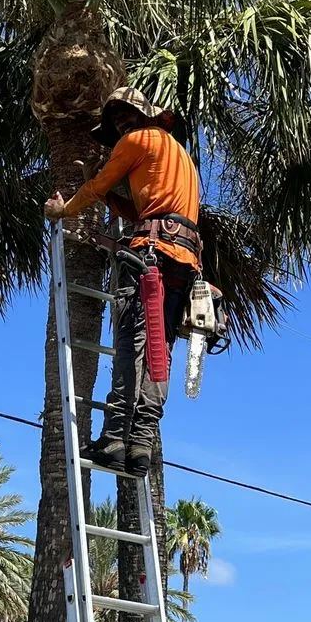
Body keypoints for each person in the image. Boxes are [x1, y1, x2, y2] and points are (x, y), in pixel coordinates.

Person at [44, 87, 201, 477]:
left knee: (132, 344)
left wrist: (64, 209)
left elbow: (99, 186)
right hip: (183, 260)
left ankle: (115, 438)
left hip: (150, 254)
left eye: (127, 118)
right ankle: (142, 445)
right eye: (118, 123)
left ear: (146, 117)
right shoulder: (180, 157)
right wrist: (107, 199)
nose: (123, 127)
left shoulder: (137, 140)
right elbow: (138, 208)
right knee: (158, 353)